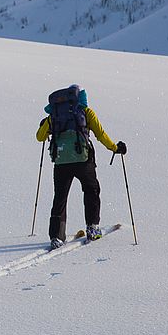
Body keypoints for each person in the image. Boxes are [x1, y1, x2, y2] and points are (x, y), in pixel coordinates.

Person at [36, 84, 127, 249]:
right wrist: (115, 148)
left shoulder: (54, 115)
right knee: (91, 190)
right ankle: (92, 228)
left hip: (61, 162)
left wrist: (46, 125)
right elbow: (101, 135)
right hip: (83, 160)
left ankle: (57, 236)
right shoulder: (86, 112)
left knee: (60, 197)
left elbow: (39, 137)